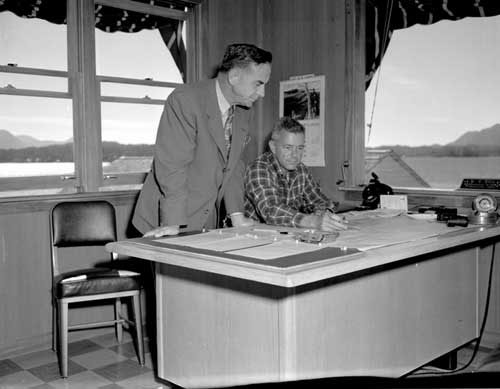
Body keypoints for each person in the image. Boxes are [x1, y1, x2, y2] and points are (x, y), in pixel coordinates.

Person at [132, 43, 272, 238]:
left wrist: (237, 215)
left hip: (204, 219)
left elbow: (233, 165)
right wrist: (172, 222)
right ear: (234, 76)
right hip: (166, 218)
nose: (262, 93)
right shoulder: (185, 100)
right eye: (258, 83)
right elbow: (172, 166)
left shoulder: (243, 110)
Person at [244, 117, 347, 232]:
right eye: (288, 148)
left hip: (287, 235)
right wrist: (314, 221)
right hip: (254, 237)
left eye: (300, 148)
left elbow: (320, 201)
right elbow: (271, 211)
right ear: (273, 147)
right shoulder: (258, 168)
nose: (294, 155)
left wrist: (327, 215)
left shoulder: (301, 169)